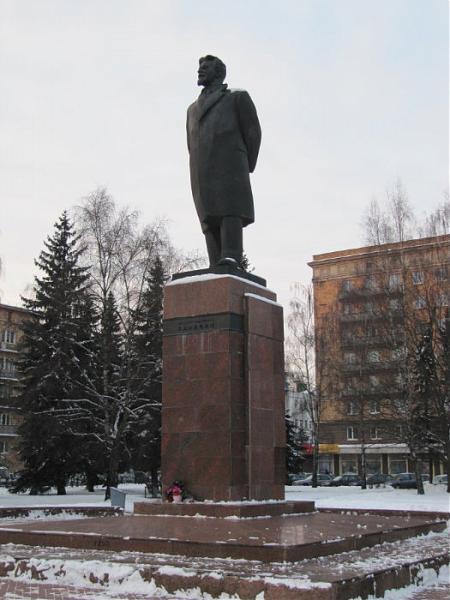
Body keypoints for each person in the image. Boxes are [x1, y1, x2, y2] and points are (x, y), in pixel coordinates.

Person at [186, 55, 261, 267]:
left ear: (218, 72)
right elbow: (191, 144)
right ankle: (215, 262)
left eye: (206, 67)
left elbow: (253, 133)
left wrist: (246, 163)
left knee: (230, 210)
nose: (200, 71)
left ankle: (231, 256)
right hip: (201, 169)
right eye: (199, 67)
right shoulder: (191, 109)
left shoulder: (236, 97)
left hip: (230, 165)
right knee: (208, 217)